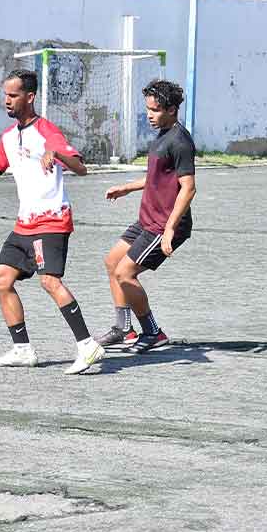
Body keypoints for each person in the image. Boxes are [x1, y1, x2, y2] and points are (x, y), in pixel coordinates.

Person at [0, 68, 105, 375]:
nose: (7, 100)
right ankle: (22, 350)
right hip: (24, 224)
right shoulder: (8, 138)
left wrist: (56, 152)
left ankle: (87, 346)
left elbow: (81, 168)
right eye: (5, 95)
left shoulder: (47, 131)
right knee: (1, 280)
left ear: (30, 97)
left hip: (51, 221)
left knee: (49, 281)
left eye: (13, 95)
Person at [95, 80, 196, 353]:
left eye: (156, 110)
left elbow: (188, 188)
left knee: (125, 274)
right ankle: (124, 329)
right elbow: (157, 176)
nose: (149, 115)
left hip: (164, 224)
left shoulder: (180, 141)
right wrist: (126, 188)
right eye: (148, 109)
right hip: (147, 219)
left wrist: (170, 229)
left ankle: (153, 332)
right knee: (112, 261)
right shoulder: (162, 134)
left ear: (172, 109)